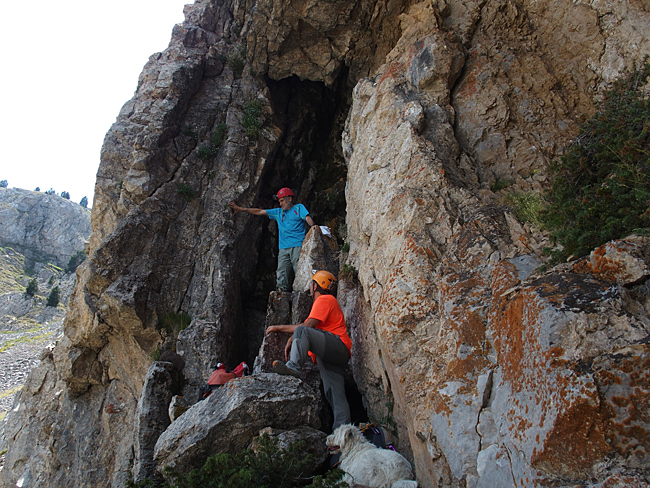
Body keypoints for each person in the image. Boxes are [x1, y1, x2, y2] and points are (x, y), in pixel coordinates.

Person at [266, 270, 352, 430]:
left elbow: (306, 328)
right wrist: (290, 334)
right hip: (334, 354)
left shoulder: (324, 300)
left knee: (302, 331)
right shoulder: (326, 303)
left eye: (312, 283)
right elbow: (305, 327)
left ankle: (293, 367)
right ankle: (343, 433)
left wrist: (280, 329)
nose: (310, 287)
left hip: (336, 346)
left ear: (316, 285)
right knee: (334, 394)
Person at [229, 187, 320, 292]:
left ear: (289, 199)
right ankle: (281, 293)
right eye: (279, 201)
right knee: (281, 271)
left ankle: (304, 292)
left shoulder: (299, 208)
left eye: (282, 201)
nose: (280, 204)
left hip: (297, 246)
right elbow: (259, 211)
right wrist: (241, 209)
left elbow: (307, 217)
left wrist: (313, 226)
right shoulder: (278, 212)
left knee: (299, 271)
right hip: (283, 249)